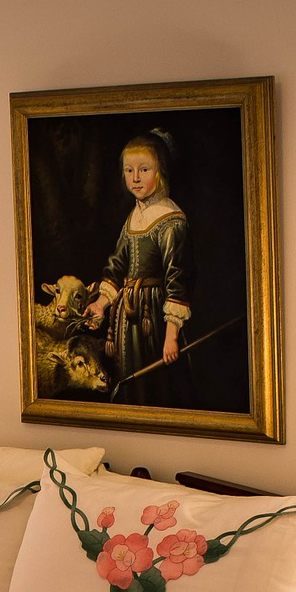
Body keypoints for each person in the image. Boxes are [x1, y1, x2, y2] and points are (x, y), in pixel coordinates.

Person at [84, 129, 195, 406]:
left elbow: (177, 280)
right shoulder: (133, 216)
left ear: (160, 172)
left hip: (154, 319)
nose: (135, 178)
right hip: (128, 317)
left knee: (157, 387)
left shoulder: (171, 220)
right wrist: (101, 304)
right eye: (129, 170)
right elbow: (117, 265)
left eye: (144, 169)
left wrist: (171, 337)